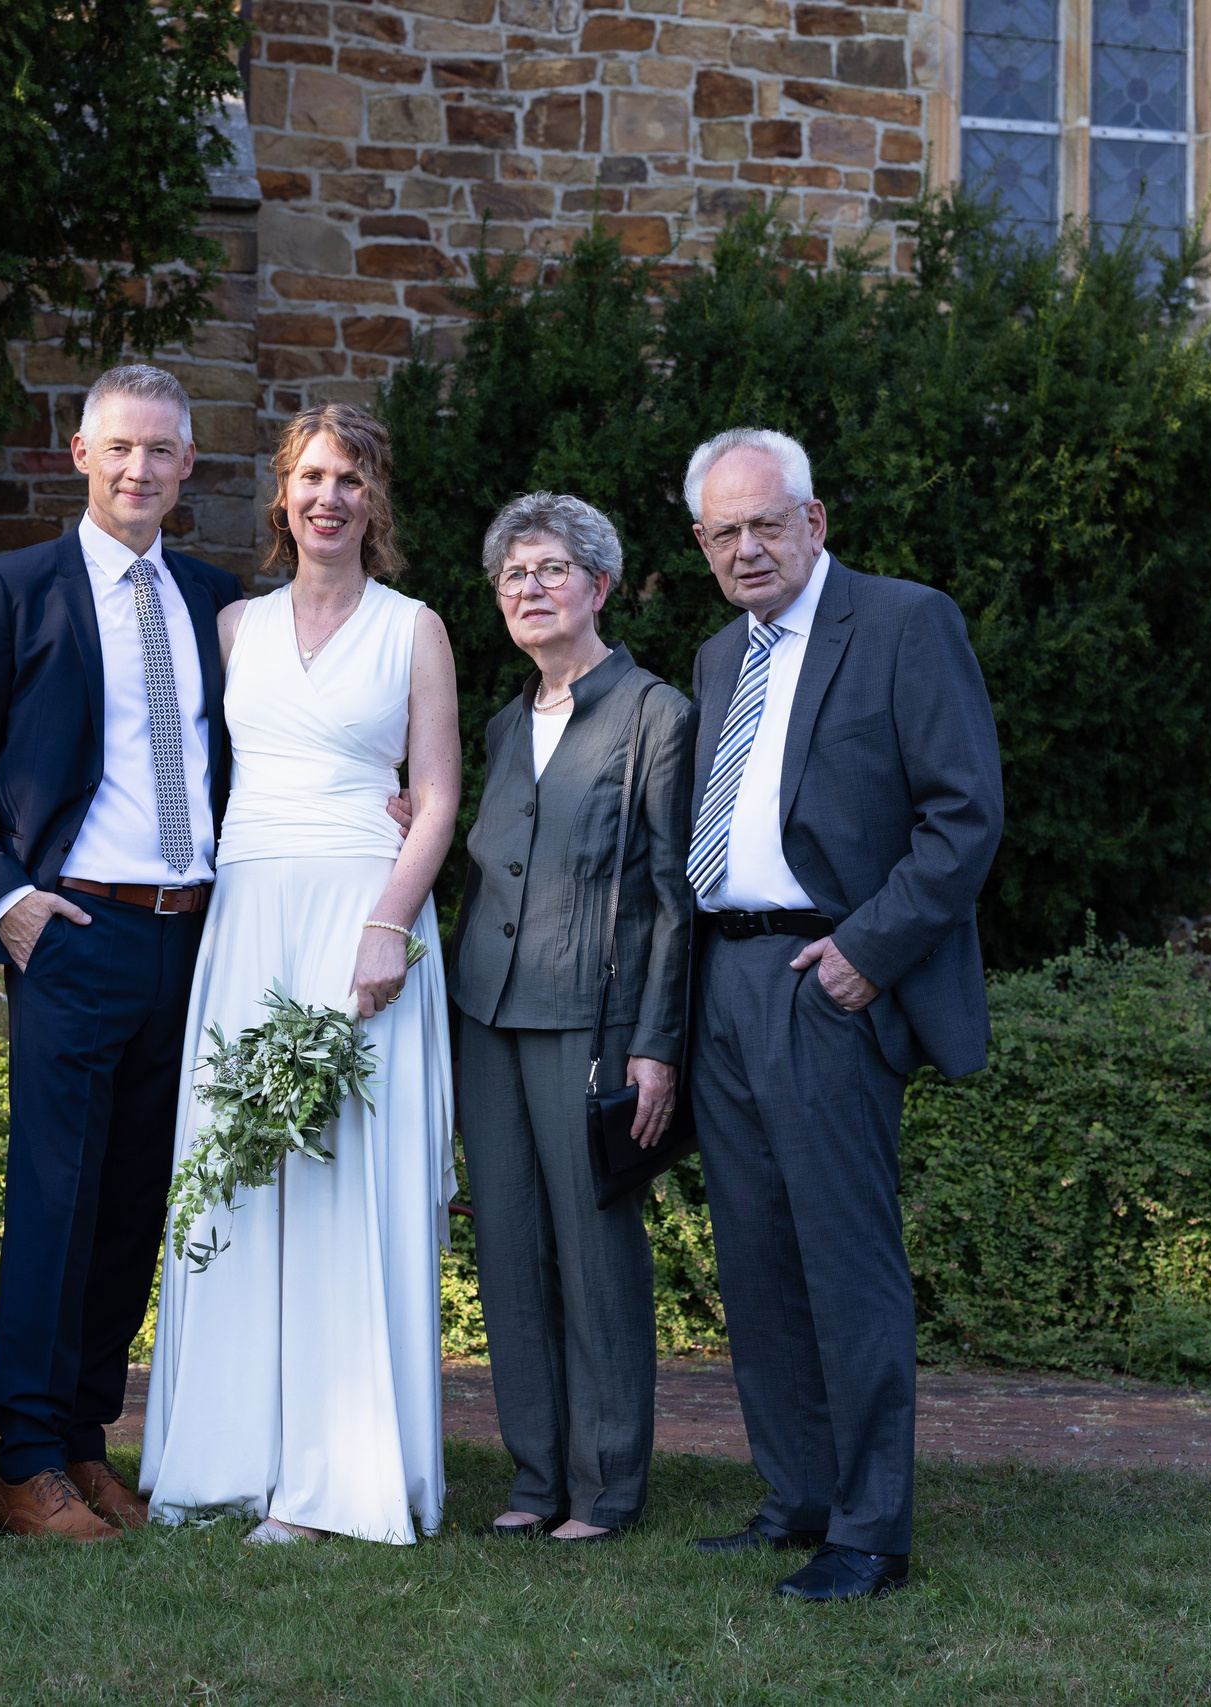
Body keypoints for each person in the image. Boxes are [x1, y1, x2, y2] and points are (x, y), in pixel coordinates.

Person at [678, 428, 1004, 1601]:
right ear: (705, 548)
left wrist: (866, 952)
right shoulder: (722, 657)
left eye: (769, 523)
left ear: (815, 523)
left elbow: (964, 817)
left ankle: (871, 1532)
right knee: (756, 1260)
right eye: (727, 532)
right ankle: (798, 1497)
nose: (750, 546)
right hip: (723, 981)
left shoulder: (905, 624)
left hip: (827, 978)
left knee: (844, 1260)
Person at [0, 364, 246, 1542]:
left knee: (132, 1203)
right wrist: (2, 893)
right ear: (78, 453)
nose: (139, 469)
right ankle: (22, 1463)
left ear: (186, 467)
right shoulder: (15, 589)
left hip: (189, 935)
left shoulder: (217, 599)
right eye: (120, 448)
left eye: (161, 451)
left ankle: (85, 1444)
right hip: (72, 930)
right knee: (57, 1199)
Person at [141, 401, 462, 1547]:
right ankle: (233, 1452)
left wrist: (388, 922)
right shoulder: (231, 627)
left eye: (352, 480)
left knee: (340, 1184)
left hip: (360, 918)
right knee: (239, 1177)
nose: (329, 497)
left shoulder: (413, 628)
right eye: (310, 477)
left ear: (377, 502)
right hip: (252, 912)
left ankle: (336, 1477)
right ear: (282, 496)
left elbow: (435, 799)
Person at [450, 492, 695, 1545]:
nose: (530, 590)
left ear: (598, 585)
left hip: (592, 1025)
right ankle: (533, 1477)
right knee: (506, 1248)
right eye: (513, 575)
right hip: (485, 1021)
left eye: (551, 570)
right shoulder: (505, 725)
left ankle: (604, 1490)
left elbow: (675, 898)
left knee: (595, 1255)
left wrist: (655, 1044)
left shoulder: (655, 714)